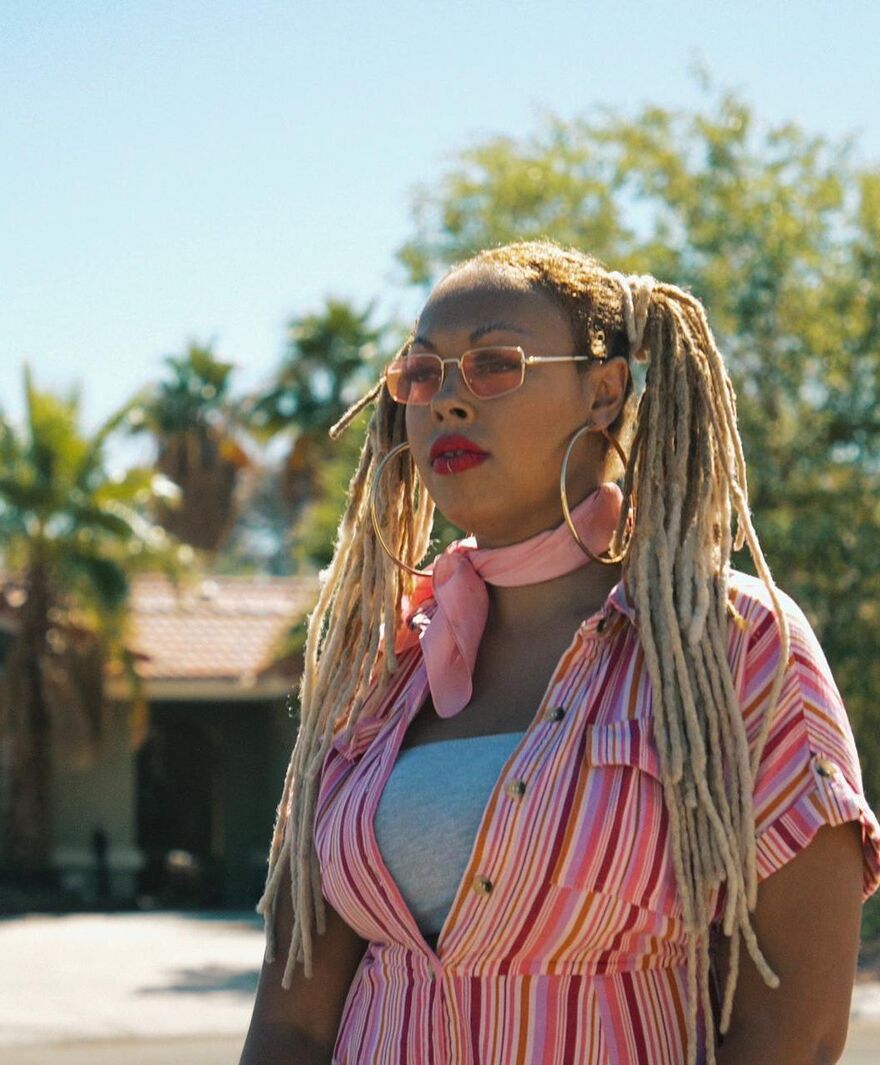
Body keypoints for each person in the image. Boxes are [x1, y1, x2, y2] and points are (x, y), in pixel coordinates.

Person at [239, 240, 880, 1065]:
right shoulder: (379, 668)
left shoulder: (730, 644)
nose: (449, 401)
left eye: (495, 364)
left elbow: (791, 1030)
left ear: (604, 391)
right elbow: (292, 1024)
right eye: (424, 374)